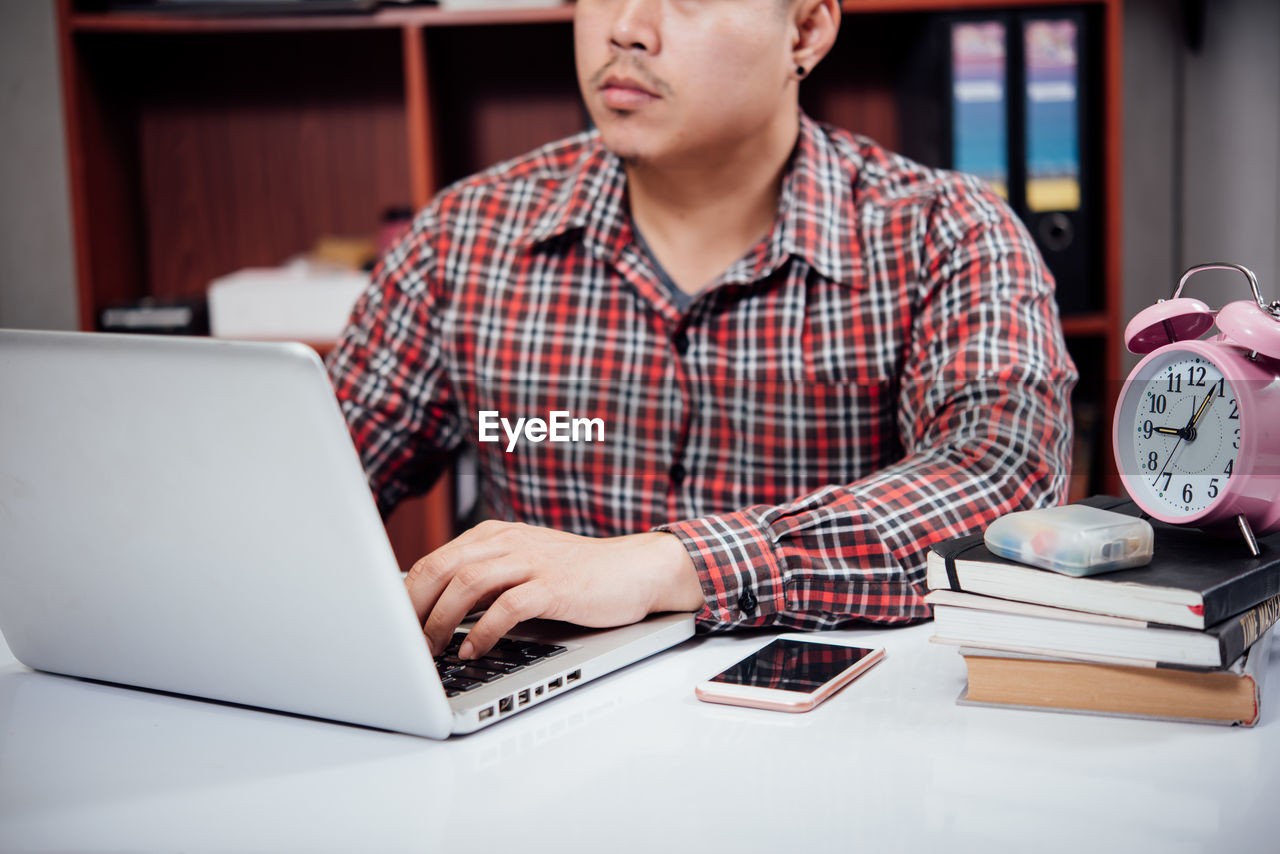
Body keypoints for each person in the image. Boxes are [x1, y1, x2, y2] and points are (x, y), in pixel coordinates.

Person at [326, 0, 1077, 661]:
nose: (625, 27)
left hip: (832, 745)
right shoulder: (466, 234)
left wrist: (672, 565)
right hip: (529, 745)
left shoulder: (945, 233)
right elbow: (308, 482)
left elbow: (1000, 486)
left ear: (806, 30)